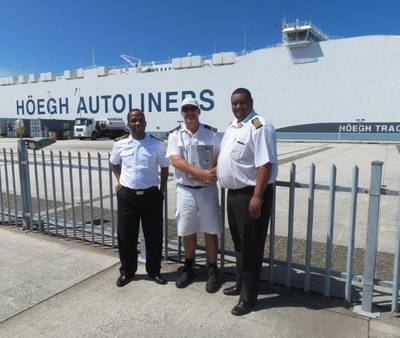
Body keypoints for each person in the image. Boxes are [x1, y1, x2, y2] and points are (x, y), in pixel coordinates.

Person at [217, 88, 278, 316]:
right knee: (241, 245)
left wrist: (258, 196)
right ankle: (241, 283)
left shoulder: (259, 125)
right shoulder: (233, 127)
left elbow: (265, 163)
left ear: (251, 102)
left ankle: (249, 298)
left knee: (251, 247)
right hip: (234, 195)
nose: (238, 107)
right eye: (234, 103)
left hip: (251, 195)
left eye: (242, 103)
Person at [166, 97, 222, 293]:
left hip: (207, 191)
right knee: (188, 229)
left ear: (199, 111)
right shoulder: (175, 135)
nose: (189, 113)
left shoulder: (210, 134)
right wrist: (201, 173)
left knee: (210, 229)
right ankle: (188, 266)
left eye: (193, 110)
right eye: (185, 110)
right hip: (186, 191)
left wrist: (213, 173)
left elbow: (220, 158)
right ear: (182, 113)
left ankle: (213, 268)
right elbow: (175, 160)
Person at [110, 108, 169, 287]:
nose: (137, 123)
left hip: (151, 195)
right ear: (128, 124)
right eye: (134, 120)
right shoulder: (120, 144)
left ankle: (154, 270)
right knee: (126, 235)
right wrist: (120, 182)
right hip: (128, 196)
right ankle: (127, 271)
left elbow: (165, 168)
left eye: (141, 120)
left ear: (145, 122)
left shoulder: (156, 144)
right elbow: (114, 164)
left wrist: (162, 191)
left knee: (154, 235)